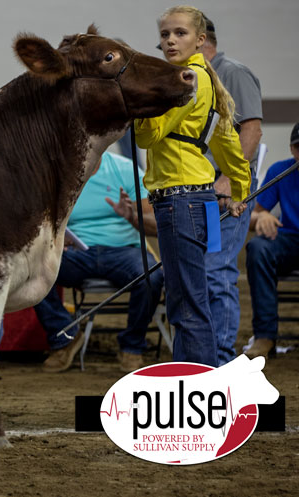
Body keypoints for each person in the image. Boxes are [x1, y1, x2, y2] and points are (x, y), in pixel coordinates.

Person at [134, 5, 250, 367]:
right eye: (165, 34)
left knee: (187, 304)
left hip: (180, 201)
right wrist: (240, 192)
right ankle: (194, 382)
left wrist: (139, 102)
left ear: (200, 40)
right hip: (198, 201)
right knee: (191, 300)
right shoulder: (207, 81)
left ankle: (197, 385)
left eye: (179, 33)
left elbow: (148, 135)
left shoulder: (188, 81)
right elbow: (228, 146)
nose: (170, 40)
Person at [34, 151, 163, 373]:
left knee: (152, 274)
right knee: (33, 270)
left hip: (124, 251)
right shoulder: (60, 174)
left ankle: (132, 346)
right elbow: (42, 223)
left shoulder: (126, 170)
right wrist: (57, 237)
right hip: (77, 253)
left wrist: (132, 216)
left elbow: (154, 225)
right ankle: (65, 337)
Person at [200, 14, 264, 366]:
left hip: (225, 189)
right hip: (196, 191)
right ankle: (201, 356)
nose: (167, 47)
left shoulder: (232, 73)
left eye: (177, 35)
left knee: (216, 269)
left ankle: (220, 361)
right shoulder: (194, 80)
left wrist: (229, 178)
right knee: (199, 272)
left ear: (201, 39)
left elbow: (251, 130)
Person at [244, 123, 299, 360]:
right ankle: (265, 336)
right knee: (258, 247)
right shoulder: (280, 170)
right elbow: (249, 216)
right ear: (292, 149)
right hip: (290, 239)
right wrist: (262, 215)